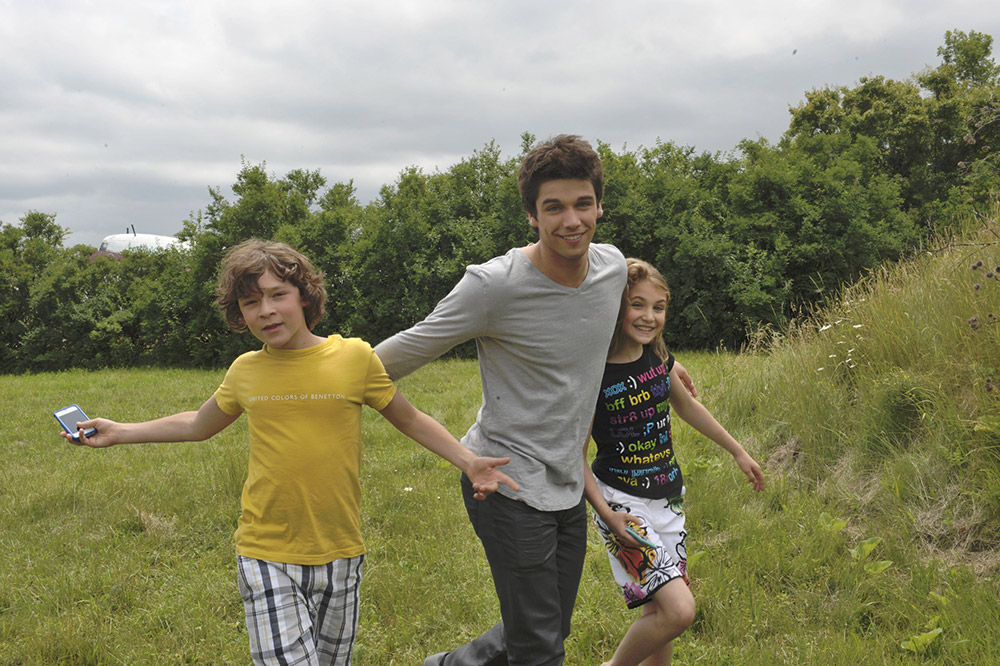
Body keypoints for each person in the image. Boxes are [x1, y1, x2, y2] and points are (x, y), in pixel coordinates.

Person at [58, 239, 518, 666]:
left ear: (304, 296)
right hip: (266, 551)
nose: (266, 311)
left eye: (277, 295)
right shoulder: (246, 371)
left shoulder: (355, 358)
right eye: (250, 302)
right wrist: (121, 431)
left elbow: (410, 418)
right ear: (240, 313)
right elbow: (198, 425)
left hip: (342, 552)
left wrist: (467, 459)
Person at [372, 135, 695, 666]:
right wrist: (308, 376)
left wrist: (666, 365)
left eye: (582, 204)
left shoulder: (612, 269)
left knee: (546, 625)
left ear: (599, 205)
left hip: (568, 482)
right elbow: (381, 366)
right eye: (554, 207)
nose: (572, 221)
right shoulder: (493, 287)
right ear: (531, 214)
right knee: (541, 648)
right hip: (506, 482)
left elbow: (629, 323)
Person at [584, 258, 765, 666]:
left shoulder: (657, 358)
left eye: (659, 307)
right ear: (616, 306)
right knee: (681, 610)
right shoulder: (593, 374)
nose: (649, 317)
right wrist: (606, 514)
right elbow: (574, 457)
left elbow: (687, 407)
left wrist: (737, 450)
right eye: (637, 304)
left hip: (668, 500)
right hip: (621, 504)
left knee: (661, 613)